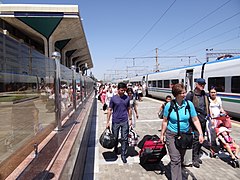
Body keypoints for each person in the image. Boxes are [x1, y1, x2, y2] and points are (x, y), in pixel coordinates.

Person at [160, 83, 204, 180]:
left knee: (181, 158)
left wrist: (200, 133)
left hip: (185, 135)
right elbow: (165, 121)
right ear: (176, 94)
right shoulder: (169, 105)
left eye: (185, 92)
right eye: (182, 93)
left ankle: (178, 175)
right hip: (171, 134)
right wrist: (162, 134)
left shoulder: (189, 104)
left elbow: (195, 119)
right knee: (175, 159)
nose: (185, 95)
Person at [106, 82, 132, 163]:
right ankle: (116, 148)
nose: (123, 92)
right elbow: (109, 110)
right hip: (115, 121)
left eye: (124, 90)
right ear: (117, 89)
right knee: (115, 137)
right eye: (121, 90)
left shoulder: (127, 98)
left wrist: (130, 119)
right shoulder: (113, 98)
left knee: (124, 138)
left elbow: (129, 109)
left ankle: (123, 155)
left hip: (124, 120)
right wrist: (107, 122)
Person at [185, 78, 209, 168]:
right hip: (194, 121)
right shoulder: (191, 94)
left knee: (201, 139)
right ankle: (194, 158)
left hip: (203, 120)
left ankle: (197, 155)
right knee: (196, 139)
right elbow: (186, 107)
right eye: (201, 84)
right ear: (196, 84)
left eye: (203, 84)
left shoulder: (205, 95)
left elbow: (207, 106)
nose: (202, 86)